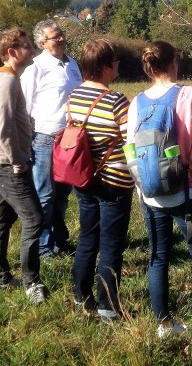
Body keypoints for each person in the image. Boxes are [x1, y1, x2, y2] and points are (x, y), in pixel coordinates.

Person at [126, 41, 192, 344]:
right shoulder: (187, 95)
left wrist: (142, 186)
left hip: (150, 194)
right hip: (186, 190)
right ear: (174, 62)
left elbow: (130, 150)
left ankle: (164, 325)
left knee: (158, 258)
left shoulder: (137, 102)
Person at [67, 39, 133, 323]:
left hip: (83, 178)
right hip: (114, 181)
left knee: (87, 239)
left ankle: (81, 297)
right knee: (111, 245)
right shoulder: (116, 100)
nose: (118, 64)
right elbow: (132, 140)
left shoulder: (74, 96)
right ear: (106, 67)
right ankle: (108, 306)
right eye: (115, 61)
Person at [0, 27, 48, 304]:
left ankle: (0, 279)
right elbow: (5, 127)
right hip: (8, 163)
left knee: (2, 219)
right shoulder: (7, 81)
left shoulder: (2, 78)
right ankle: (32, 283)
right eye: (26, 46)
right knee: (34, 219)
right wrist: (18, 161)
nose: (32, 50)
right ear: (11, 53)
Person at [20, 20, 82, 257]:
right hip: (45, 138)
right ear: (42, 43)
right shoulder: (35, 68)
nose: (61, 39)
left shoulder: (72, 64)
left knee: (64, 193)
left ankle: (60, 240)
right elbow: (23, 107)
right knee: (45, 194)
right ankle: (43, 248)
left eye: (62, 34)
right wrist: (26, 142)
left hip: (71, 137)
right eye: (55, 37)